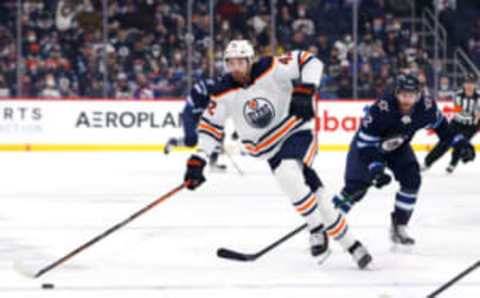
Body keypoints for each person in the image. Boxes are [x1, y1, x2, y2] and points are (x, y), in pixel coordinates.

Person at [183, 39, 372, 269]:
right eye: (230, 63)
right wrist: (199, 159)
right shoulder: (222, 91)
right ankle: (353, 246)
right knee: (318, 196)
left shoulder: (271, 67)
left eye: (239, 62)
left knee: (287, 173)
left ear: (249, 60)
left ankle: (315, 229)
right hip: (269, 148)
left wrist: (306, 88)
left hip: (296, 130)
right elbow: (211, 128)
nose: (235, 68)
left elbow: (310, 61)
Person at [332, 74, 476, 246]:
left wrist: (461, 144)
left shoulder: (426, 107)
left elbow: (444, 129)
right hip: (368, 148)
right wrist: (376, 168)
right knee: (356, 189)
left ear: (419, 94)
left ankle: (399, 225)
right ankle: (327, 222)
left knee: (412, 179)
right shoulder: (381, 108)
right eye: (403, 95)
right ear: (396, 92)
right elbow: (366, 143)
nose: (407, 100)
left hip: (397, 146)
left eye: (411, 95)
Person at [164, 78, 227, 171]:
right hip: (190, 114)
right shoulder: (199, 91)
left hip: (201, 112)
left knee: (218, 135)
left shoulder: (221, 90)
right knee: (191, 141)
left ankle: (213, 164)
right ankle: (174, 142)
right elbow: (196, 110)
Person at [423, 74, 480, 173]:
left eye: (471, 83)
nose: (469, 86)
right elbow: (459, 111)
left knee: (460, 143)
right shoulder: (458, 95)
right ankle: (427, 163)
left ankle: (452, 164)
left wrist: (476, 116)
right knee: (444, 143)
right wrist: (474, 114)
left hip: (471, 127)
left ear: (475, 84)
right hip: (456, 123)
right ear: (464, 84)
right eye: (467, 83)